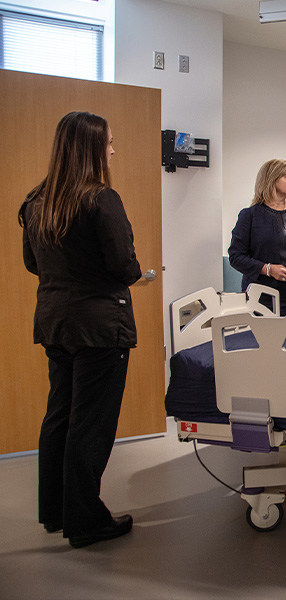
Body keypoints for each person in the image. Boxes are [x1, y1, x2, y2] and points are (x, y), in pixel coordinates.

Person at [18, 111, 141, 548]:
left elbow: (34, 264)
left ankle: (56, 511)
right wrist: (135, 267)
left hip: (56, 323)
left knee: (61, 417)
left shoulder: (37, 201)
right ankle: (87, 521)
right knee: (90, 424)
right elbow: (123, 266)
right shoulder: (101, 199)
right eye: (108, 141)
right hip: (100, 327)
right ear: (91, 147)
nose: (113, 147)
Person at [228, 159, 286, 316]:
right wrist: (267, 269)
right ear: (272, 179)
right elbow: (236, 256)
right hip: (261, 295)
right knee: (263, 339)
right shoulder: (250, 216)